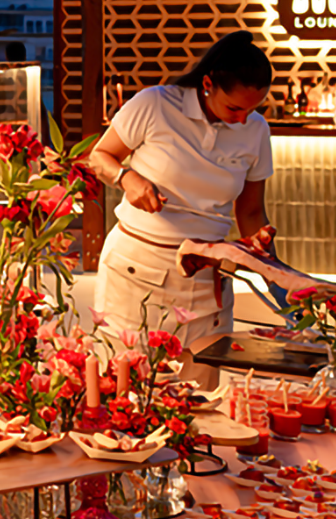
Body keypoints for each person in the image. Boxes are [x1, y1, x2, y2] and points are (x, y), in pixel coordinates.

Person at [85, 30, 276, 385]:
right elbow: (100, 156)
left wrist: (273, 267)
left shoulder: (255, 130)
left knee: (197, 397)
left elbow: (250, 213)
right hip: (137, 267)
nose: (242, 119)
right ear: (207, 84)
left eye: (253, 109)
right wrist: (128, 179)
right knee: (124, 388)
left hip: (206, 276)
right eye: (234, 107)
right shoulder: (155, 104)